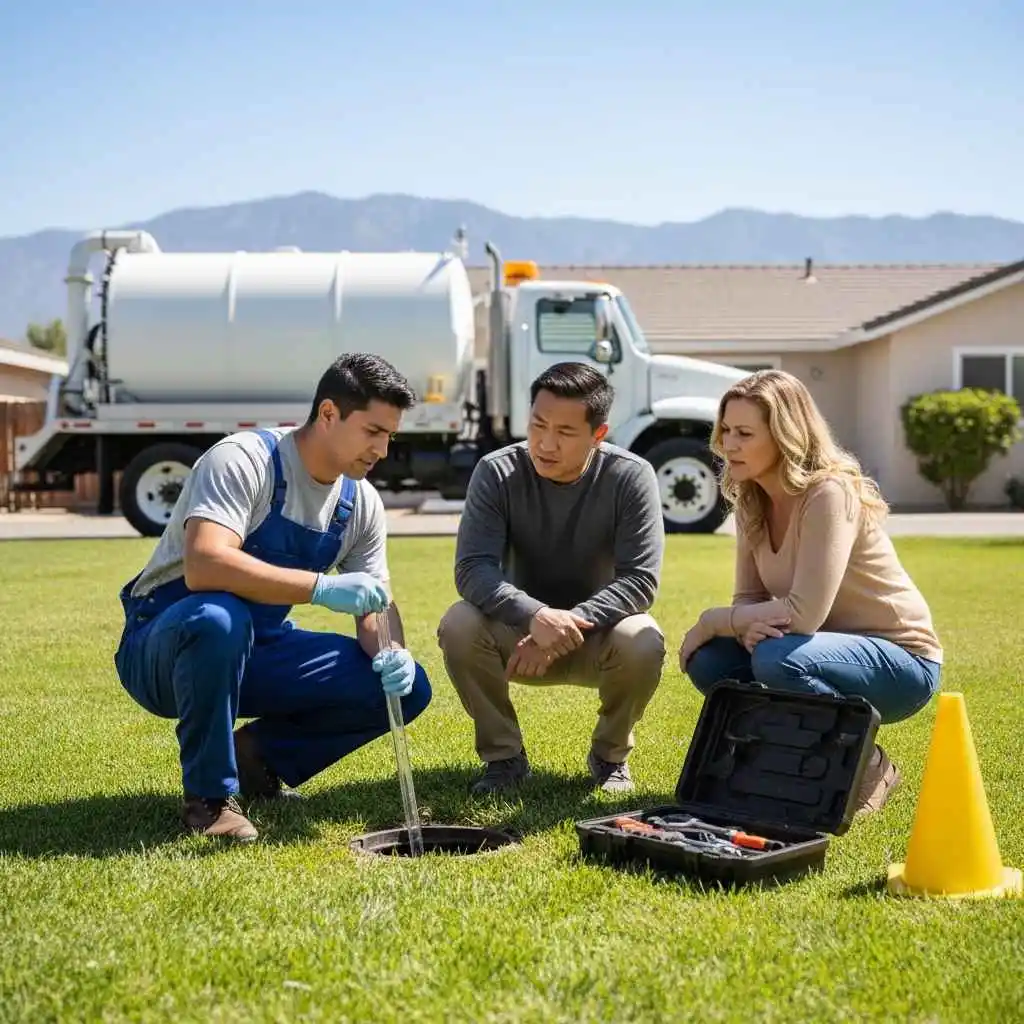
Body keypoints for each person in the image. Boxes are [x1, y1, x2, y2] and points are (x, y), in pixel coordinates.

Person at [114, 353, 431, 842]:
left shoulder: (360, 502)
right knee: (218, 617)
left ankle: (256, 759)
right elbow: (205, 564)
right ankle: (210, 800)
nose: (383, 450)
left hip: (258, 645)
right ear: (329, 414)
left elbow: (375, 602)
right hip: (165, 644)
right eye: (373, 431)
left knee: (407, 687)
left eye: (390, 435)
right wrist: (321, 587)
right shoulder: (245, 460)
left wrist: (390, 651)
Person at [678, 369, 942, 814]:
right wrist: (740, 626)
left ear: (784, 437)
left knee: (774, 659)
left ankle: (868, 762)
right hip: (810, 649)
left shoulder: (828, 493)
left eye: (744, 433)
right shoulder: (750, 499)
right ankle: (787, 762)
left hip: (901, 662)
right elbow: (749, 601)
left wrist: (712, 621)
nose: (728, 444)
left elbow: (802, 616)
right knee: (712, 662)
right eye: (725, 430)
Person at [437, 361, 666, 796]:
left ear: (598, 435)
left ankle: (610, 756)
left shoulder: (631, 476)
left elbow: (639, 581)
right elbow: (473, 568)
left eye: (564, 432)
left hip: (598, 638)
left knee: (644, 638)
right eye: (538, 424)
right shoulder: (496, 470)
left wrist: (561, 626)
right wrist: (535, 616)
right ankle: (504, 758)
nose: (545, 442)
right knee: (459, 624)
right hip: (516, 640)